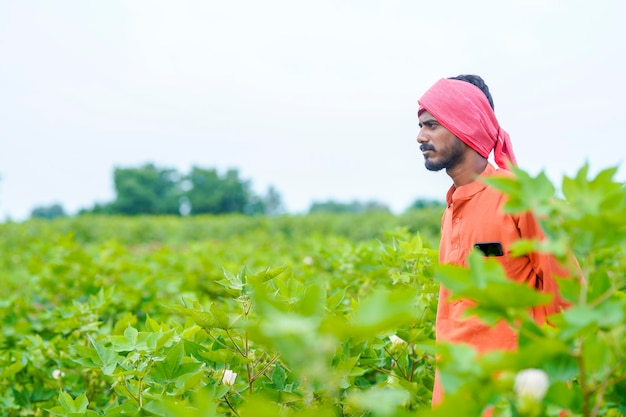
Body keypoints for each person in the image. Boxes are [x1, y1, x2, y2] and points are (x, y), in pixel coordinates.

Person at [415, 75, 572, 406]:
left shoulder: (520, 198)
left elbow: (566, 292)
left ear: (465, 126)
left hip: (518, 395)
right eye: (420, 126)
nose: (420, 137)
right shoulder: (451, 209)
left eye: (431, 125)